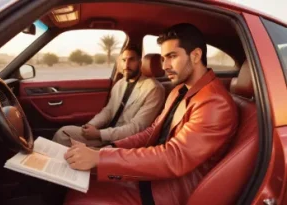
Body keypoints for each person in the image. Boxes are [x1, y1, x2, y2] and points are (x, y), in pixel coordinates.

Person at [63, 23, 238, 205]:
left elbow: (174, 158)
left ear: (195, 56)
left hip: (168, 191)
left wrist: (100, 158)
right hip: (150, 175)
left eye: (172, 56)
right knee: (79, 179)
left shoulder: (215, 103)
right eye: (163, 58)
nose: (165, 66)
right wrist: (106, 149)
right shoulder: (179, 90)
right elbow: (151, 132)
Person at [53, 44, 165, 147]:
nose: (126, 65)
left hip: (124, 140)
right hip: (108, 132)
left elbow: (136, 128)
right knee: (63, 133)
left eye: (131, 60)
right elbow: (109, 110)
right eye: (124, 60)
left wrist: (99, 134)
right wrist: (91, 125)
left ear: (140, 63)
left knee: (63, 135)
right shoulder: (121, 83)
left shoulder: (154, 89)